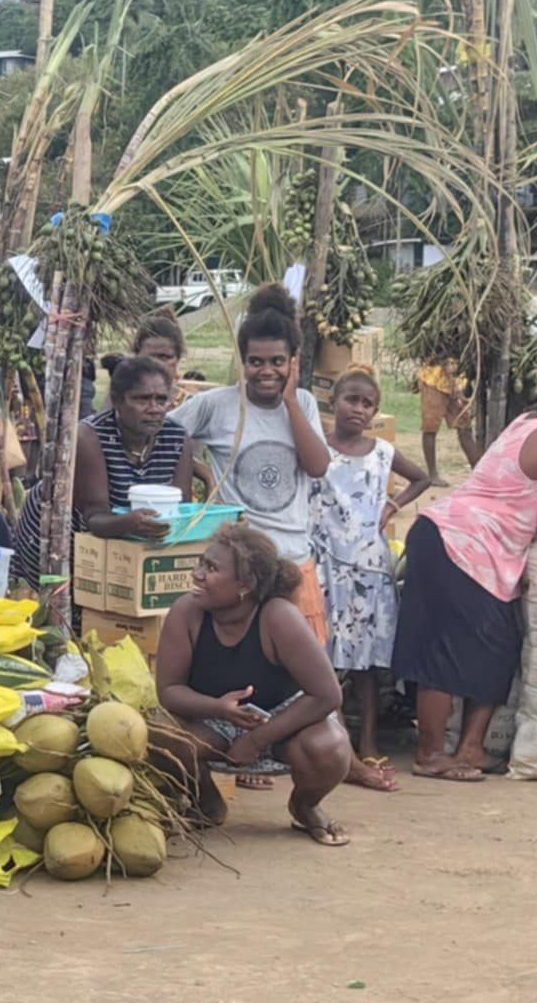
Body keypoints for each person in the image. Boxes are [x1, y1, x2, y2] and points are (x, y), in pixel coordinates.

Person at [397, 374, 537, 782]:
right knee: (445, 652)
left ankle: (471, 748)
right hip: (461, 545)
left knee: (499, 646)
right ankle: (430, 754)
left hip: (456, 541)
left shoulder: (526, 421)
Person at [154, 526, 354, 845]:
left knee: (330, 747)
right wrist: (217, 708)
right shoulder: (186, 612)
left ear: (245, 586)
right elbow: (168, 691)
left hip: (284, 721)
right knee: (157, 732)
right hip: (214, 721)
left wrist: (259, 737)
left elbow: (327, 694)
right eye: (201, 564)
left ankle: (305, 806)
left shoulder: (279, 617)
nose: (198, 575)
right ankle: (205, 800)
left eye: (212, 569)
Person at [170, 285, 331, 640]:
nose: (266, 371)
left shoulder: (302, 404)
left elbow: (318, 466)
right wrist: (195, 480)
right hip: (239, 570)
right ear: (242, 361)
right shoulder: (217, 405)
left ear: (294, 360)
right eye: (255, 362)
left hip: (293, 561)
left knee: (300, 668)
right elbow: (168, 436)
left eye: (277, 361)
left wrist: (289, 402)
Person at [312, 369, 429, 793]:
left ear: (375, 412)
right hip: (325, 562)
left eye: (367, 404)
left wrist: (393, 505)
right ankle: (335, 739)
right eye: (351, 400)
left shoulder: (382, 452)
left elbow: (423, 477)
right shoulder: (317, 448)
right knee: (324, 653)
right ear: (334, 402)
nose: (358, 410)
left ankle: (366, 739)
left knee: (364, 660)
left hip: (367, 565)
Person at [12, 356, 193, 584]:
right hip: (61, 536)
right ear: (117, 401)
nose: (154, 409)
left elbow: (184, 511)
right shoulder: (90, 436)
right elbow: (95, 518)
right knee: (69, 605)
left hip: (130, 541)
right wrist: (130, 523)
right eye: (142, 399)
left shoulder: (177, 438)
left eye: (161, 400)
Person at [416, 362, 483, 486]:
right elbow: (435, 356)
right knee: (431, 427)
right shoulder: (439, 350)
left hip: (456, 384)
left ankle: (478, 471)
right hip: (434, 381)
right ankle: (432, 475)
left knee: (465, 426)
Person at [132, 311, 188, 404]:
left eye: (164, 357)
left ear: (177, 359)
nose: (157, 364)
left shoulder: (190, 406)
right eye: (149, 358)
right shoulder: (122, 403)